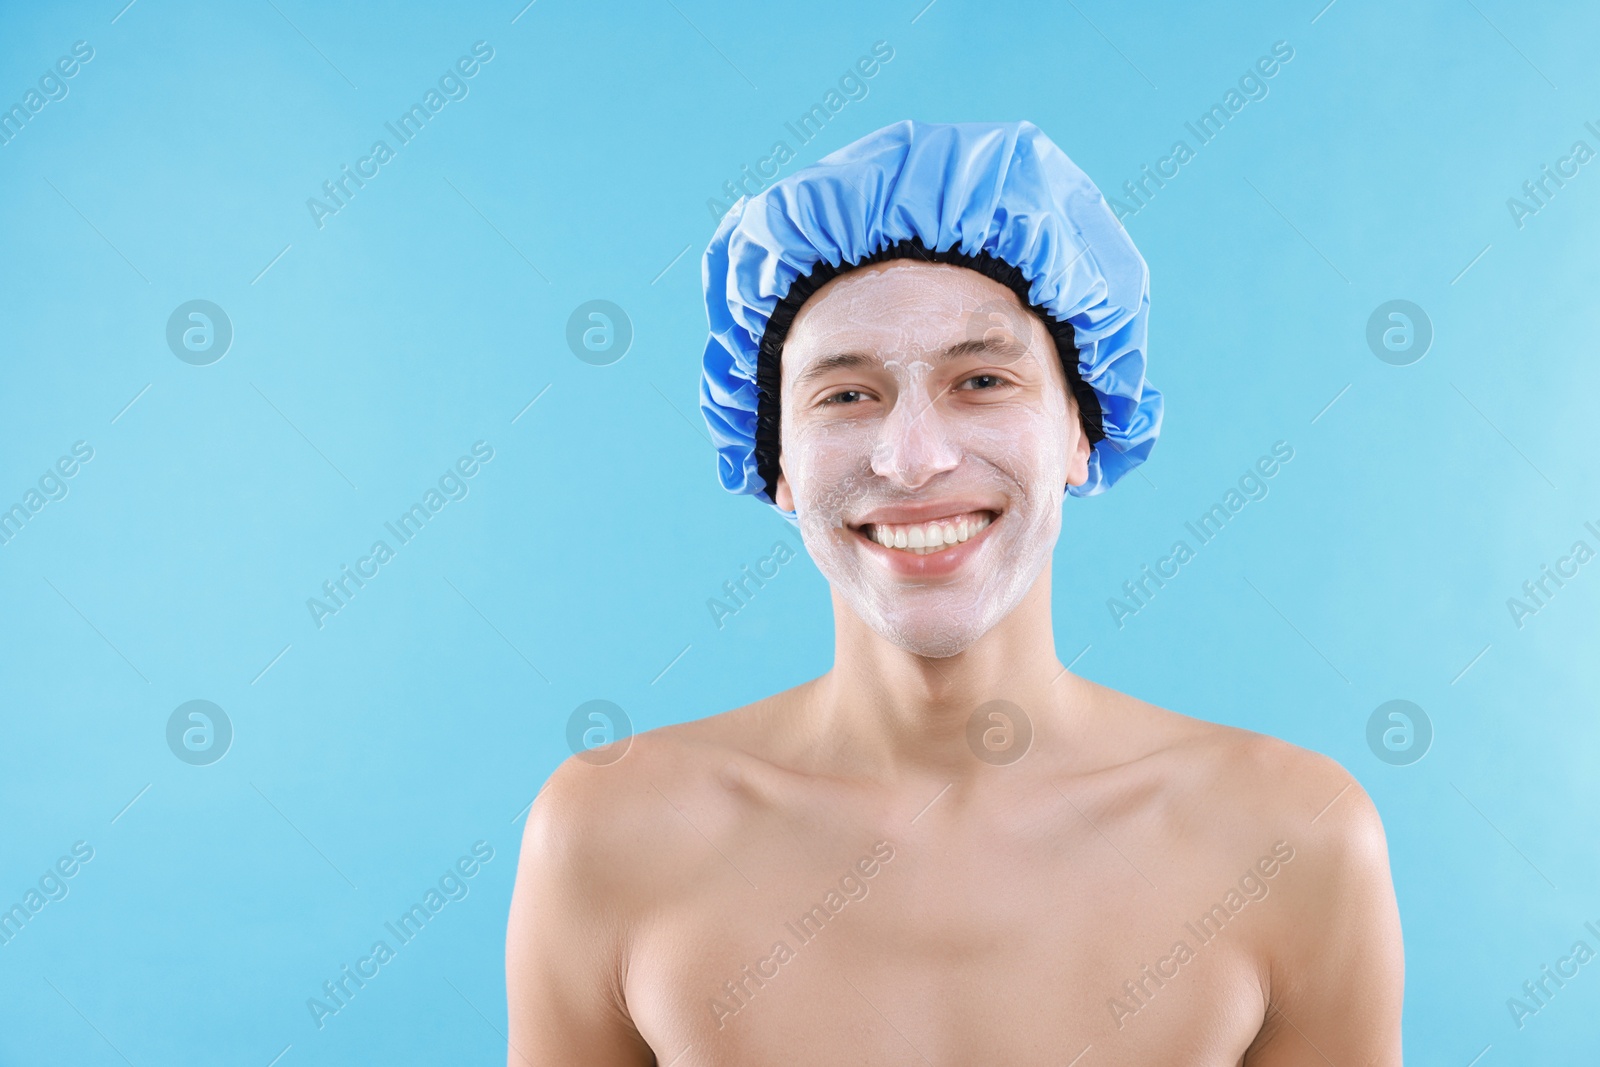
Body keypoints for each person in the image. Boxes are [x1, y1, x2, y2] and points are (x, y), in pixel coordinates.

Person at [506, 120, 1404, 1065]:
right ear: (774, 461)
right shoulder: (607, 836)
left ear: (1082, 429)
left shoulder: (1292, 841)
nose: (914, 458)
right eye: (847, 394)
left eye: (981, 379)